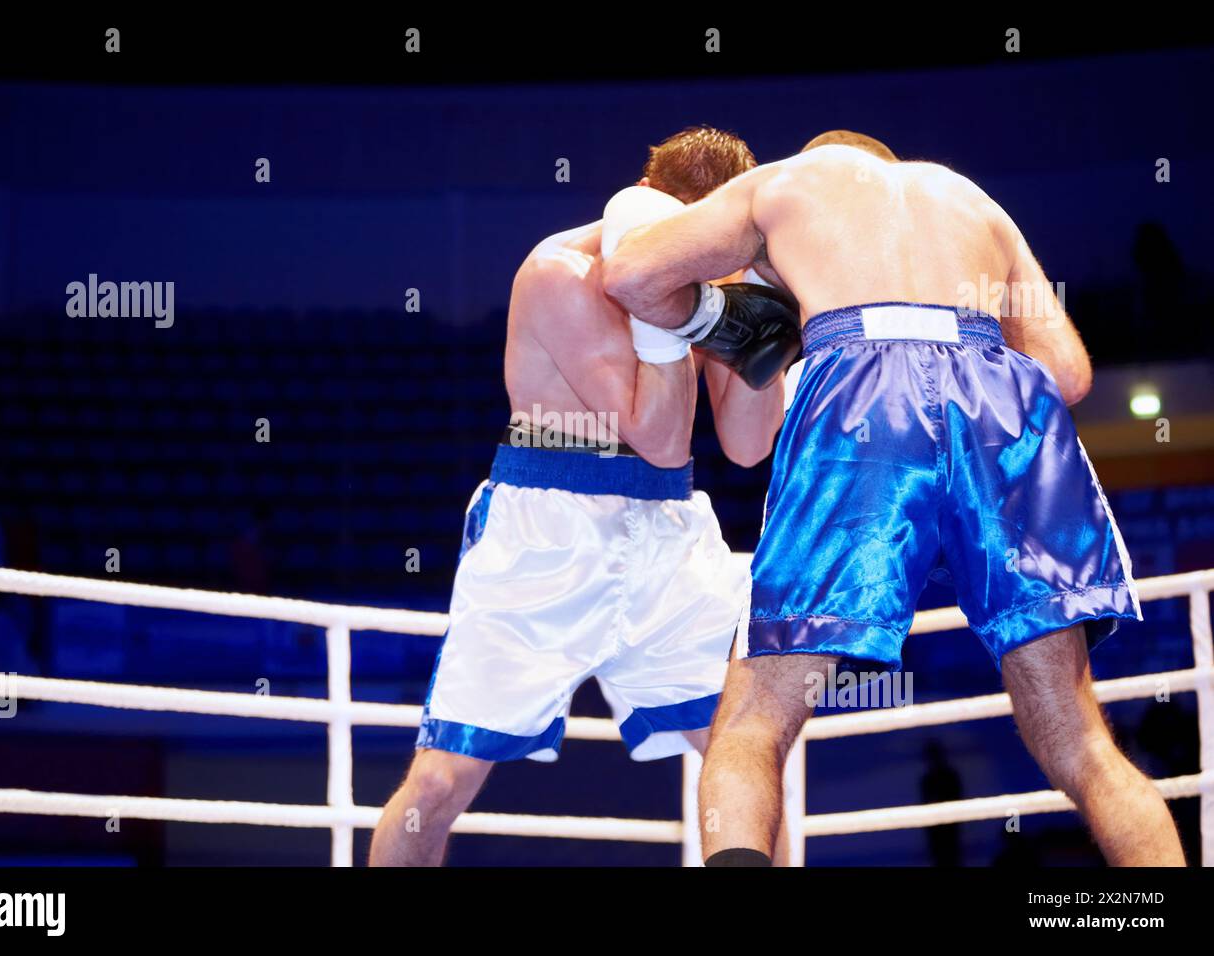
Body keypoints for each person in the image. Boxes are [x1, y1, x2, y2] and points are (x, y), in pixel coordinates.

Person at [602, 129, 1185, 866]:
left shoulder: (786, 182)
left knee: (752, 721)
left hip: (862, 386)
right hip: (1001, 397)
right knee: (1080, 739)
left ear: (826, 157)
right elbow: (1067, 375)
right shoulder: (972, 198)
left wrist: (728, 320)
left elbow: (628, 274)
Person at [369, 127, 788, 866]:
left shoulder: (720, 275)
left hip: (669, 532)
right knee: (440, 781)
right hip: (546, 528)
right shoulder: (561, 273)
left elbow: (748, 446)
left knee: (739, 754)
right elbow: (657, 435)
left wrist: (762, 310)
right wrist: (667, 310)